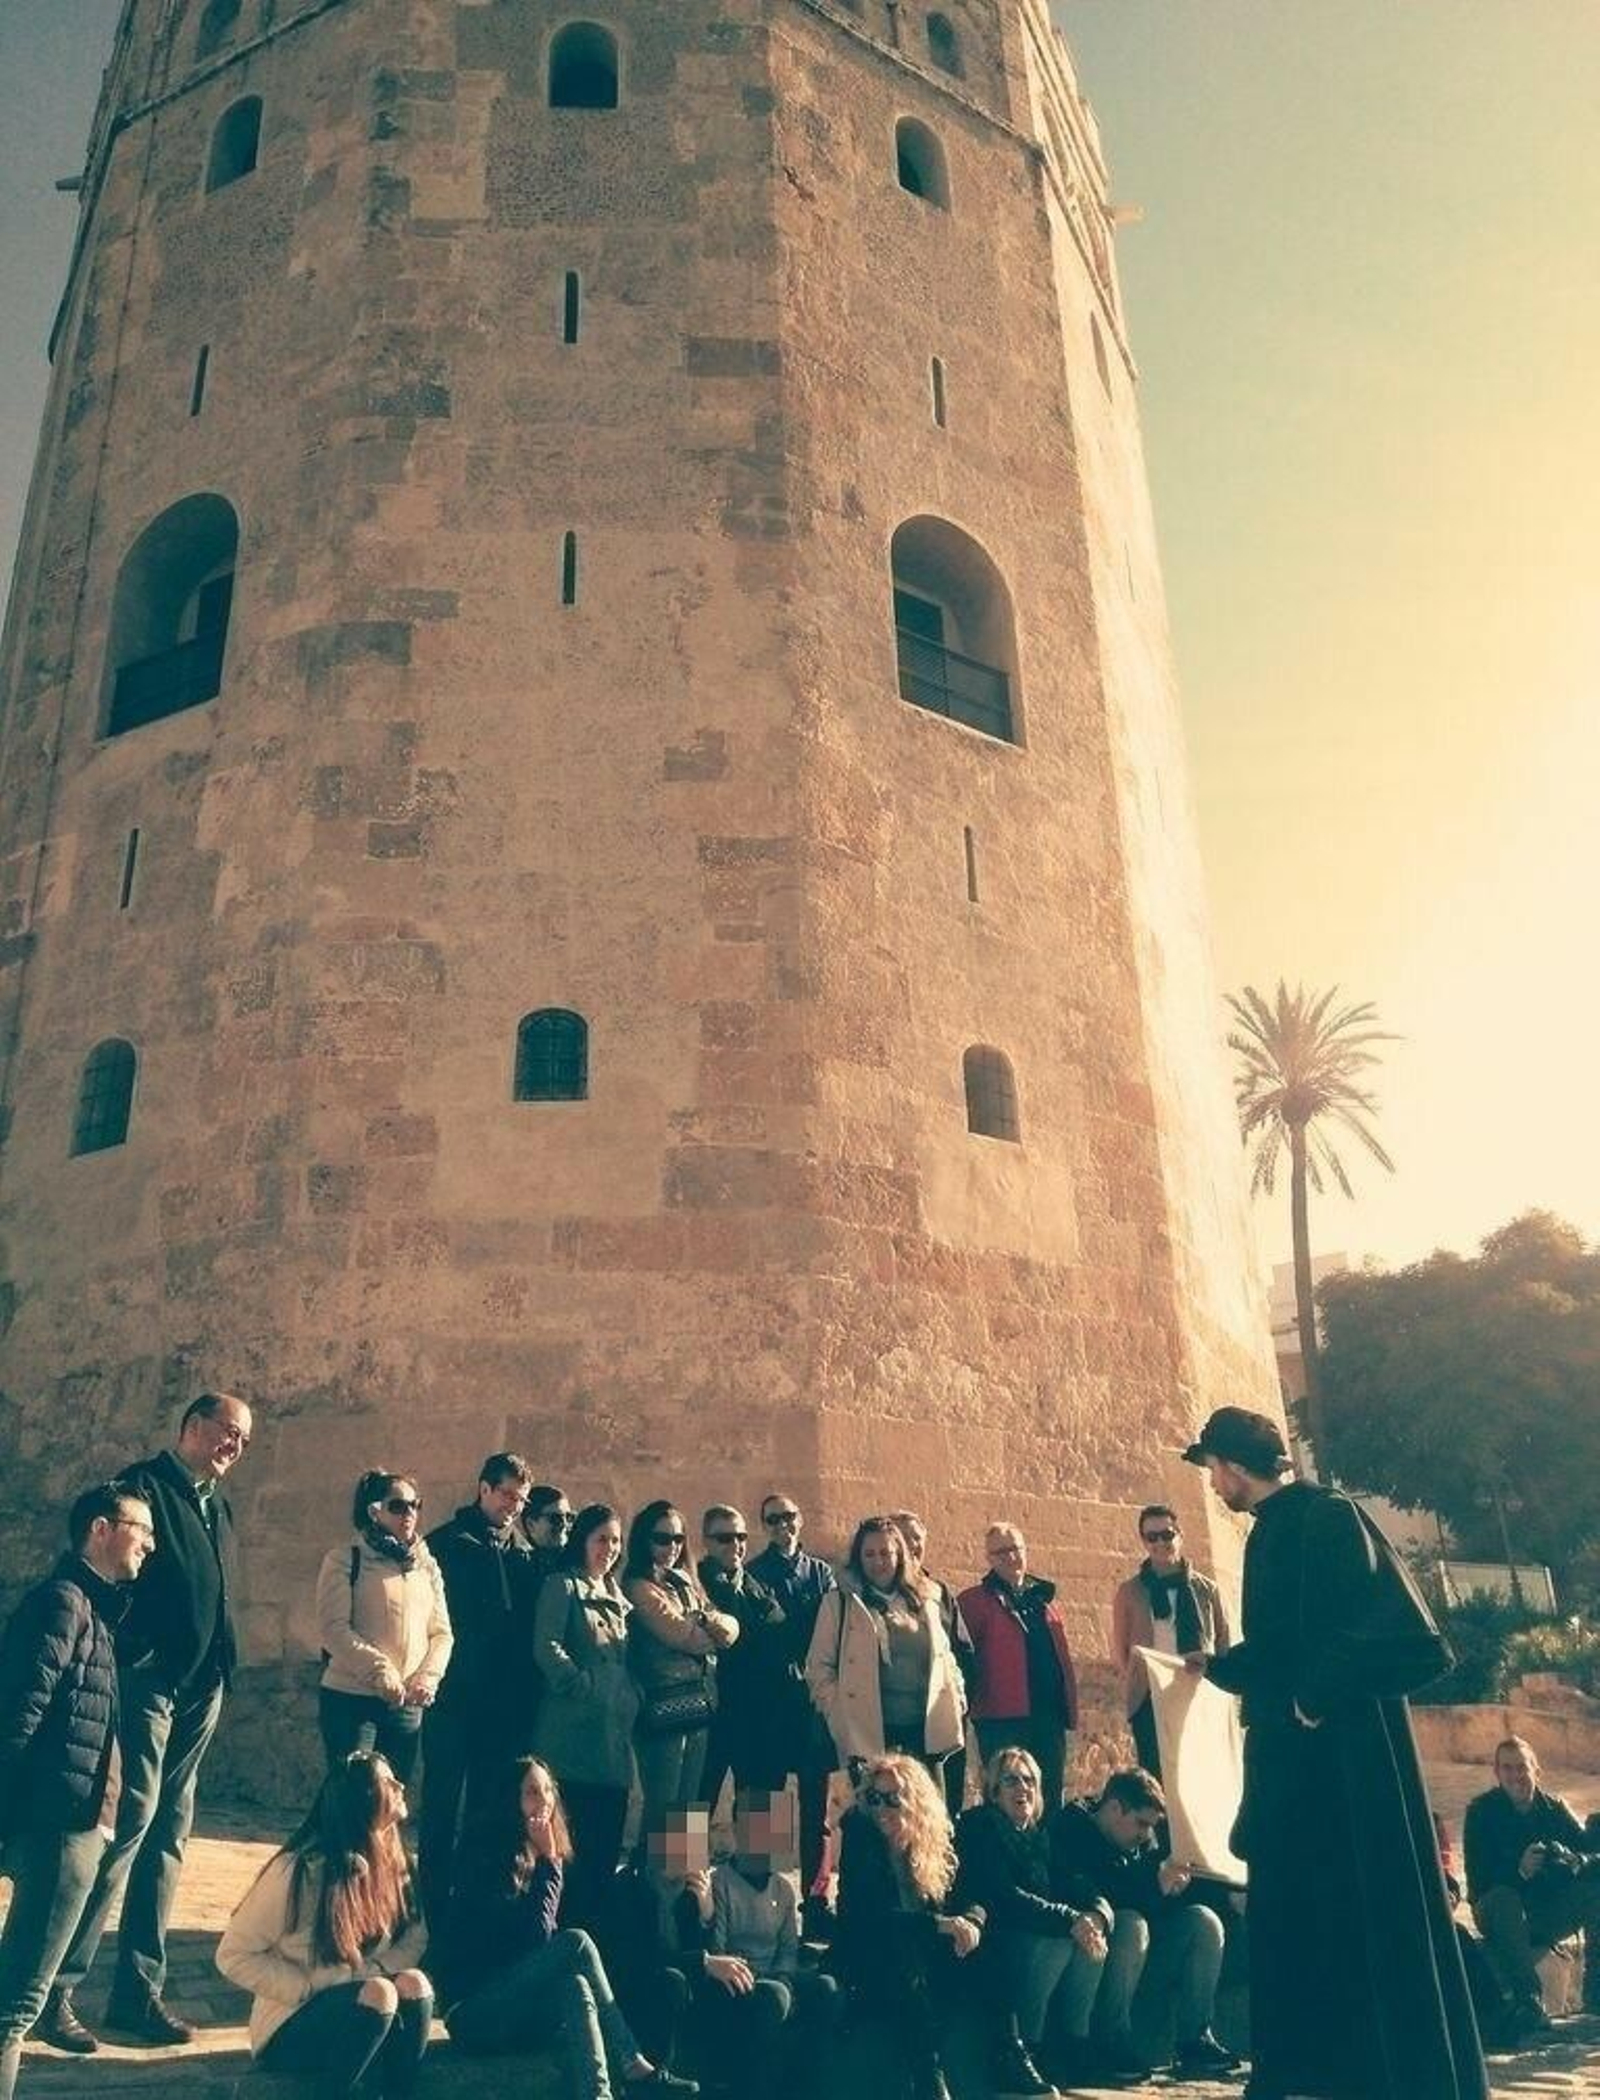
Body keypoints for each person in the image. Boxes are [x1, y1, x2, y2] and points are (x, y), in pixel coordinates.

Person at [1186, 1405, 1486, 2100]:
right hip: (1296, 1768)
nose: (1212, 1485)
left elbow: (1387, 1625)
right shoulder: (1269, 1534)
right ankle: (1305, 2073)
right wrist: (1223, 1668)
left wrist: (1316, 1695)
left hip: (1347, 1761)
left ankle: (1381, 2072)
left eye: (1212, 1471)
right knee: (1301, 1909)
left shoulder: (1327, 1516)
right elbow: (1286, 1645)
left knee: (1359, 1907)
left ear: (1230, 1466)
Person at [45, 1390, 253, 2050]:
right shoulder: (143, 1488)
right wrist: (142, 1654)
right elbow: (114, 1576)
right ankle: (54, 1989)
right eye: (228, 1432)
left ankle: (137, 1992)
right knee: (127, 1827)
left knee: (169, 1833)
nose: (235, 1447)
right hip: (152, 1685)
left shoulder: (215, 1503)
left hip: (202, 1687)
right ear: (193, 1426)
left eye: (244, 1441)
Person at [0, 1484, 154, 2099]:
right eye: (139, 1528)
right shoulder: (63, 1603)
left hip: (82, 1819)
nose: (149, 1542)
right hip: (61, 1822)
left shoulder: (94, 1608)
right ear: (100, 1528)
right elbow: (18, 1713)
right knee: (17, 2004)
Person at [435, 1756, 696, 2097]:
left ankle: (599, 2095)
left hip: (517, 2006)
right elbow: (536, 1940)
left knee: (574, 1984)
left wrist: (547, 1861)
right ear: (509, 1800)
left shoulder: (539, 1855)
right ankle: (632, 2061)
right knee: (576, 1940)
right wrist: (551, 1863)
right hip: (473, 2012)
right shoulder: (486, 1852)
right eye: (531, 1792)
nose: (543, 1800)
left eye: (548, 1790)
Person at [215, 1750, 432, 2097]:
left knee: (414, 1983)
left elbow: (416, 1938)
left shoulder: (398, 1862)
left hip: (366, 2008)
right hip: (293, 2021)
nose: (400, 1784)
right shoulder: (298, 1872)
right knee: (380, 1992)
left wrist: (374, 1968)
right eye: (387, 1781)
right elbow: (233, 1955)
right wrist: (304, 1985)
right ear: (361, 1802)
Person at [1047, 1766, 1237, 2083]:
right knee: (1130, 1923)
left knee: (1203, 1922)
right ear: (1114, 1808)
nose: (1145, 1834)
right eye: (1140, 1823)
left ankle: (1195, 2038)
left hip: (1141, 1958)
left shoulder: (1140, 1842)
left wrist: (1176, 1887)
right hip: (1095, 1957)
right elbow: (1098, 1893)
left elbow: (1153, 1900)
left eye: (1150, 1826)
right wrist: (1154, 1884)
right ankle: (1111, 2040)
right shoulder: (1071, 1829)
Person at [419, 1451, 540, 1923]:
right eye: (507, 1493)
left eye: (521, 1498)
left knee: (489, 1810)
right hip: (454, 1701)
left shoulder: (524, 1554)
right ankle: (433, 1908)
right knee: (442, 1808)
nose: (513, 1505)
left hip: (504, 1708)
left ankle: (476, 1905)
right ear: (484, 1489)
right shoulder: (445, 1546)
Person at [830, 1751, 991, 2100]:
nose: (882, 1809)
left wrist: (971, 1921)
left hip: (920, 1951)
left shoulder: (930, 1845)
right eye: (874, 1798)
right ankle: (930, 2078)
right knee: (904, 1963)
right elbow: (870, 1918)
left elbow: (973, 1894)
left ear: (915, 1803)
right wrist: (941, 1924)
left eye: (893, 1799)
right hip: (867, 1953)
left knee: (985, 1954)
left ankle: (1012, 2054)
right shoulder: (860, 1836)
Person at [954, 1747, 1107, 2095]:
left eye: (1029, 1781)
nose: (1022, 1788)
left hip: (1031, 1936)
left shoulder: (1039, 1836)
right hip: (992, 1941)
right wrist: (1070, 1917)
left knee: (1088, 1934)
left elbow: (1075, 1881)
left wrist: (1096, 1913)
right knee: (1060, 1941)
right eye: (1010, 1780)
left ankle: (1075, 2042)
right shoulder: (980, 1829)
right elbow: (1005, 1896)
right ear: (993, 1791)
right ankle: (1025, 2049)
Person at [679, 1790, 840, 2098]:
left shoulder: (782, 1888)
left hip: (777, 1975)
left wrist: (783, 1975)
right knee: (774, 1997)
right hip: (739, 1979)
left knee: (825, 1988)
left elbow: (788, 1946)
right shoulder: (721, 1881)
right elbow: (719, 1944)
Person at [534, 1504, 640, 1929]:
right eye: (601, 1539)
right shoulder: (563, 1586)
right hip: (574, 1740)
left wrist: (632, 1696)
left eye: (616, 1541)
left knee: (606, 1849)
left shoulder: (621, 1597)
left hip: (615, 1740)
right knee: (571, 1850)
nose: (610, 1549)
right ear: (582, 1540)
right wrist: (581, 1685)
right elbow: (547, 1646)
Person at [316, 1470, 453, 1788]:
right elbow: (334, 1628)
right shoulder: (344, 1560)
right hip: (352, 1699)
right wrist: (380, 1672)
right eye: (398, 1506)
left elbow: (441, 1632)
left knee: (390, 1800)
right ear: (374, 1511)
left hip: (405, 1704)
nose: (409, 1515)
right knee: (353, 1794)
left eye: (415, 1505)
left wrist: (427, 1679)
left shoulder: (426, 1565)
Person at [1463, 1734, 1600, 2038]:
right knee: (1504, 1896)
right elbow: (1478, 1881)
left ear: (1536, 1771)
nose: (1516, 1776)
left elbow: (1593, 1852)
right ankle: (1529, 1999)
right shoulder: (1481, 1812)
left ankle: (1596, 1997)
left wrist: (1575, 1860)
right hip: (1497, 1910)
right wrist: (1520, 1871)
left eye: (1522, 1768)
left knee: (1596, 1892)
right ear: (1497, 1773)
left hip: (1545, 1912)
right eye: (1508, 1768)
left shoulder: (1554, 1808)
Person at [805, 1517, 965, 1778]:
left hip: (924, 1732)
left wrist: (958, 1698)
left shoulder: (925, 1599)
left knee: (926, 1816)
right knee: (874, 1814)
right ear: (858, 1558)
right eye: (869, 1554)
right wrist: (840, 1715)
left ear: (899, 1555)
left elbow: (946, 1657)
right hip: (869, 1733)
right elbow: (819, 1668)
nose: (878, 1562)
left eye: (885, 1553)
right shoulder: (839, 1603)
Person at [745, 1492, 837, 1929]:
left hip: (811, 1705)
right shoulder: (753, 1574)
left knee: (816, 1808)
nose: (783, 1525)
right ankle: (758, 1897)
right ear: (765, 1525)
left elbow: (829, 1632)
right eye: (774, 1519)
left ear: (801, 1520)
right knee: (765, 1803)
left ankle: (815, 1900)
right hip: (767, 1705)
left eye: (790, 1516)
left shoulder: (820, 1573)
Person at [623, 1503, 738, 1830]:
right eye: (662, 1538)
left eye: (677, 1538)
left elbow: (731, 1630)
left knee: (690, 1808)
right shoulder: (637, 1585)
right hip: (663, 1707)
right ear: (644, 1540)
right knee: (664, 1809)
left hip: (699, 1705)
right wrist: (704, 1624)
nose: (671, 1547)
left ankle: (684, 1877)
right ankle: (659, 1880)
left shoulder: (686, 1582)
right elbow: (688, 1638)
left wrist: (703, 1620)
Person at [958, 1524, 1079, 1812]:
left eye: (1015, 1549)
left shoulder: (1043, 1601)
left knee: (1049, 1797)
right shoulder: (973, 1602)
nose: (1010, 1557)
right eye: (1001, 1552)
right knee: (1004, 1796)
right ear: (989, 1558)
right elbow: (963, 1658)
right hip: (1001, 1719)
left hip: (1048, 1715)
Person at [1109, 1505, 1230, 1778]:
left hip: (1197, 1692)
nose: (1161, 1543)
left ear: (1180, 1535)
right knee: (1158, 1778)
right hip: (1151, 1697)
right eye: (1152, 1537)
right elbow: (1121, 1650)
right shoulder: (1130, 1592)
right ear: (1143, 1541)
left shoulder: (1206, 1589)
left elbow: (1222, 1642)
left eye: (1167, 1534)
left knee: (1201, 1775)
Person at [696, 1506, 790, 1820]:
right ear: (706, 1542)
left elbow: (778, 1632)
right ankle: (677, 1870)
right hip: (709, 1712)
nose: (735, 1545)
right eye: (724, 1538)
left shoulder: (756, 1584)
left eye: (741, 1537)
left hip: (758, 1712)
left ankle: (759, 1870)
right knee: (692, 1803)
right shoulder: (693, 1586)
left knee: (762, 1802)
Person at [891, 1512, 977, 1818]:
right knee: (769, 1786)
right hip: (890, 1721)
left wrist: (960, 1699)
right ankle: (762, 1863)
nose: (912, 1544)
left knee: (940, 1805)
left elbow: (961, 1650)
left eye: (917, 1537)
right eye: (903, 1537)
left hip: (936, 1716)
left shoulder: (938, 1593)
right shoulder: (864, 1594)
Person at [525, 1485, 577, 1587]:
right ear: (531, 1525)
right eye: (555, 1518)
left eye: (569, 1517)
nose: (564, 1524)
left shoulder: (577, 1563)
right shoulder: (517, 1566)